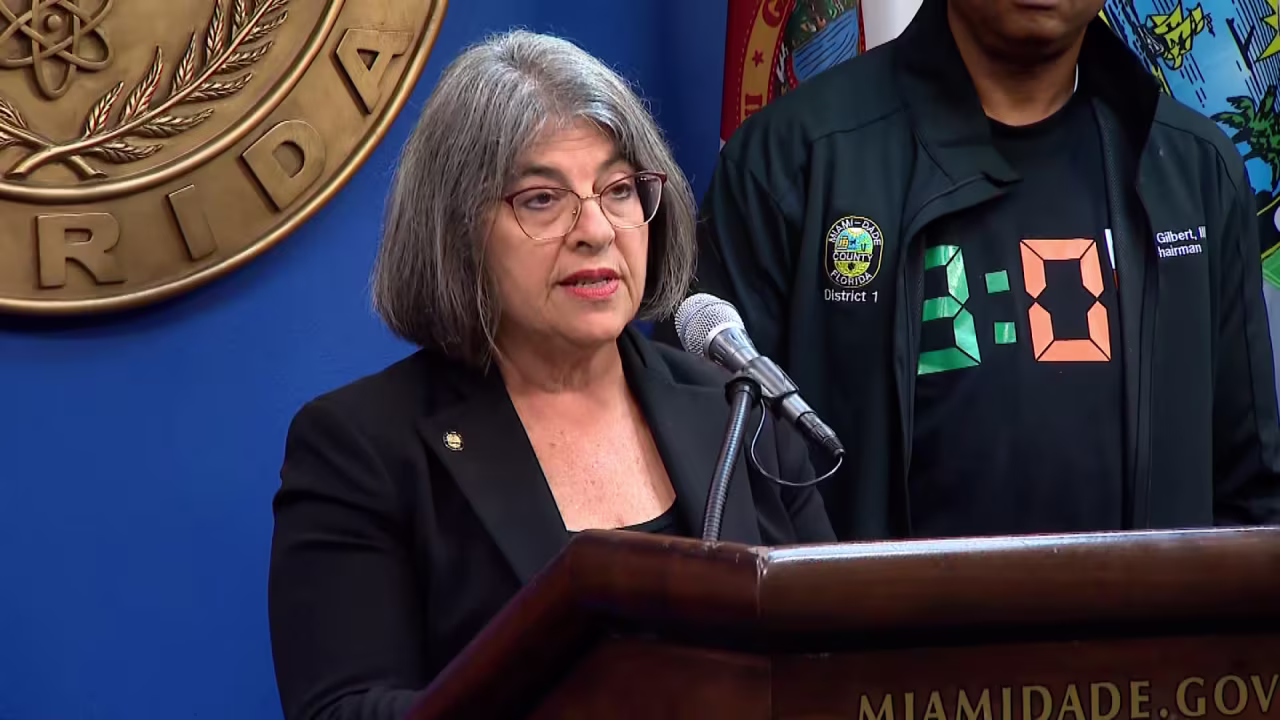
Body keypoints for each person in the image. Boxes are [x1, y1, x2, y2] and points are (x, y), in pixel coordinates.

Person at [266, 30, 835, 720]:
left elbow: (831, 665)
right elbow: (342, 710)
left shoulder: (739, 410)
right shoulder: (364, 448)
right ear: (457, 231)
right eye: (541, 199)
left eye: (620, 190)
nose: (595, 228)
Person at [670, 0, 1280, 541]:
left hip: (1143, 666)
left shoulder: (1194, 172)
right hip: (868, 662)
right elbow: (715, 490)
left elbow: (1253, 496)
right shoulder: (793, 163)